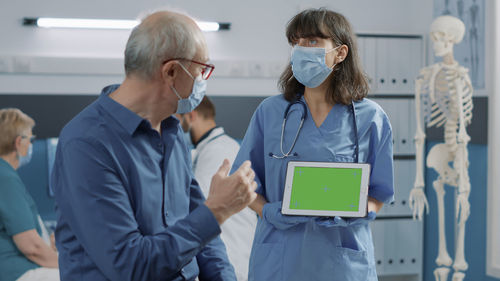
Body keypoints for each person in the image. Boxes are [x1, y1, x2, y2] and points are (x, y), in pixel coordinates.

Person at [51, 11, 257, 281]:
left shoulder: (171, 133)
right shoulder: (87, 145)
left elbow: (204, 239)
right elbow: (131, 266)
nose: (203, 80)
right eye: (200, 69)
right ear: (171, 71)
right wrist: (217, 209)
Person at [231, 8, 394, 281]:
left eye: (312, 41)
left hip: (342, 261)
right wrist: (268, 211)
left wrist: (360, 211)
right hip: (280, 259)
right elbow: (244, 183)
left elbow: (380, 192)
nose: (301, 49)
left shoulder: (370, 118)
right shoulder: (270, 113)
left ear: (340, 53)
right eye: (296, 42)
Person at [178, 96, 257, 281]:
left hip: (232, 258)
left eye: (179, 121)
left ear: (191, 116)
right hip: (227, 259)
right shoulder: (210, 149)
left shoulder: (219, 152)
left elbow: (201, 208)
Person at [0, 108, 59, 281]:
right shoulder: (5, 178)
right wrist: (68, 266)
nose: (31, 145)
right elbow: (31, 247)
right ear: (18, 142)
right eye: (30, 139)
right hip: (17, 271)